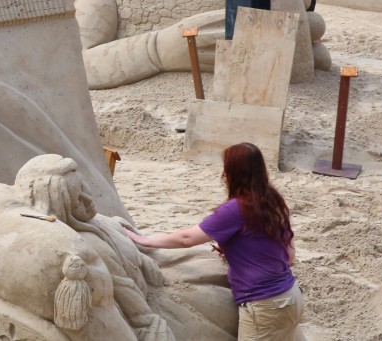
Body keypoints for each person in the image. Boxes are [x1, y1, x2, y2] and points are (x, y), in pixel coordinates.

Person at [123, 143, 303, 340]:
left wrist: (144, 240)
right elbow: (289, 255)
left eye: (226, 169)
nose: (223, 175)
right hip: (291, 296)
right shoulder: (275, 200)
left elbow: (187, 239)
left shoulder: (236, 209)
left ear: (233, 173)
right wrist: (243, 251)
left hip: (265, 305)